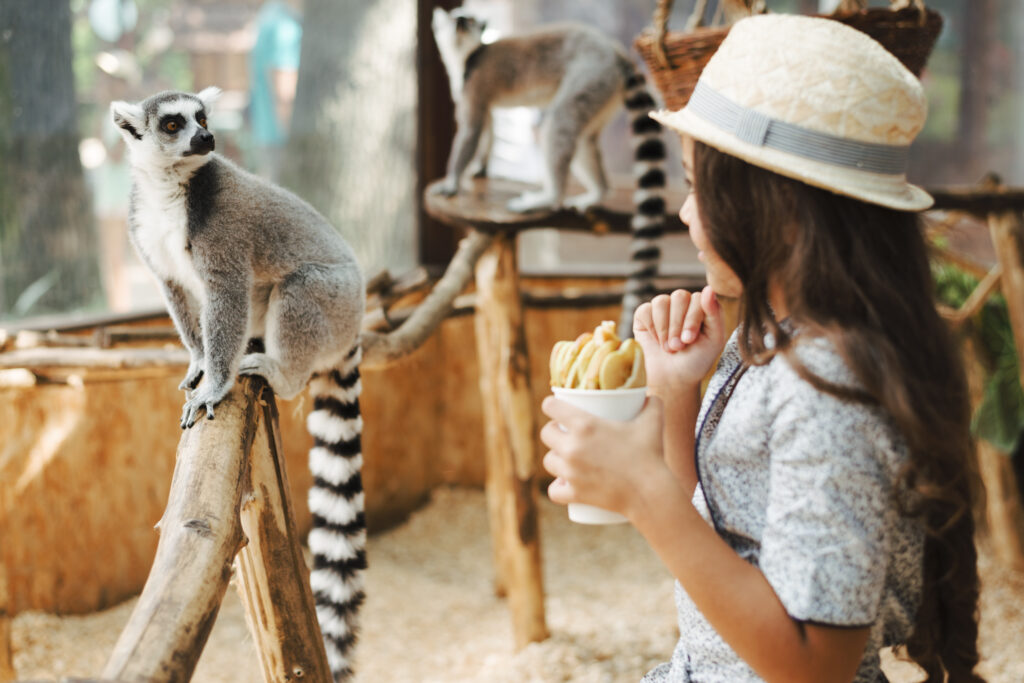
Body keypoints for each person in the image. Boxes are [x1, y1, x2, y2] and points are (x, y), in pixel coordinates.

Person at [540, 14, 983, 683]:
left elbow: (817, 664)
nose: (685, 213)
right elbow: (719, 531)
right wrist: (677, 392)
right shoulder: (776, 342)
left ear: (777, 206)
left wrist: (642, 491)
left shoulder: (832, 385)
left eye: (697, 187)